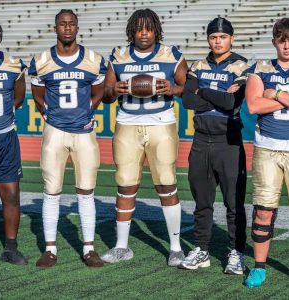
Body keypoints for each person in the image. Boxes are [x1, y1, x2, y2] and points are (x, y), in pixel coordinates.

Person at [100, 8, 188, 266]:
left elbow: (189, 88)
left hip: (161, 123)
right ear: (132, 31)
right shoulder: (118, 56)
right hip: (127, 124)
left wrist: (173, 88)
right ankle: (121, 246)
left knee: (166, 183)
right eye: (139, 28)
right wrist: (113, 90)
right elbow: (106, 94)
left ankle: (175, 247)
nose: (144, 33)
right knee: (125, 184)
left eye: (148, 28)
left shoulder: (171, 55)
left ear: (156, 29)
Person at [28, 9, 106, 268]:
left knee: (86, 192)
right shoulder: (41, 60)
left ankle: (89, 248)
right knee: (51, 191)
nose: (68, 28)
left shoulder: (94, 59)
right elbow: (38, 93)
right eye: (63, 24)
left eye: (72, 23)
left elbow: (98, 91)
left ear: (77, 27)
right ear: (55, 28)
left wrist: (86, 111)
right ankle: (50, 249)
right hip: (55, 132)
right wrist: (49, 114)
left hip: (84, 132)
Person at [181, 17, 249, 274]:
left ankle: (237, 252)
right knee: (202, 201)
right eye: (213, 37)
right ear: (208, 39)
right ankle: (201, 249)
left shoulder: (243, 66)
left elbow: (232, 102)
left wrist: (204, 91)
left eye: (222, 37)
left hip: (228, 142)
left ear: (231, 38)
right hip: (200, 141)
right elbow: (187, 99)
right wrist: (217, 94)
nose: (218, 41)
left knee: (234, 202)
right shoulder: (198, 65)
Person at [245, 17, 289, 288]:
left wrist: (274, 95)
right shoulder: (260, 68)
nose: (287, 45)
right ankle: (259, 267)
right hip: (268, 149)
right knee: (263, 211)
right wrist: (284, 100)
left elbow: (263, 101)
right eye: (282, 39)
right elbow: (252, 105)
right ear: (274, 41)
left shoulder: (269, 80)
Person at [0, 18, 27, 265]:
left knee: (12, 195)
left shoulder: (14, 65)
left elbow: (18, 98)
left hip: (5, 139)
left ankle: (11, 248)